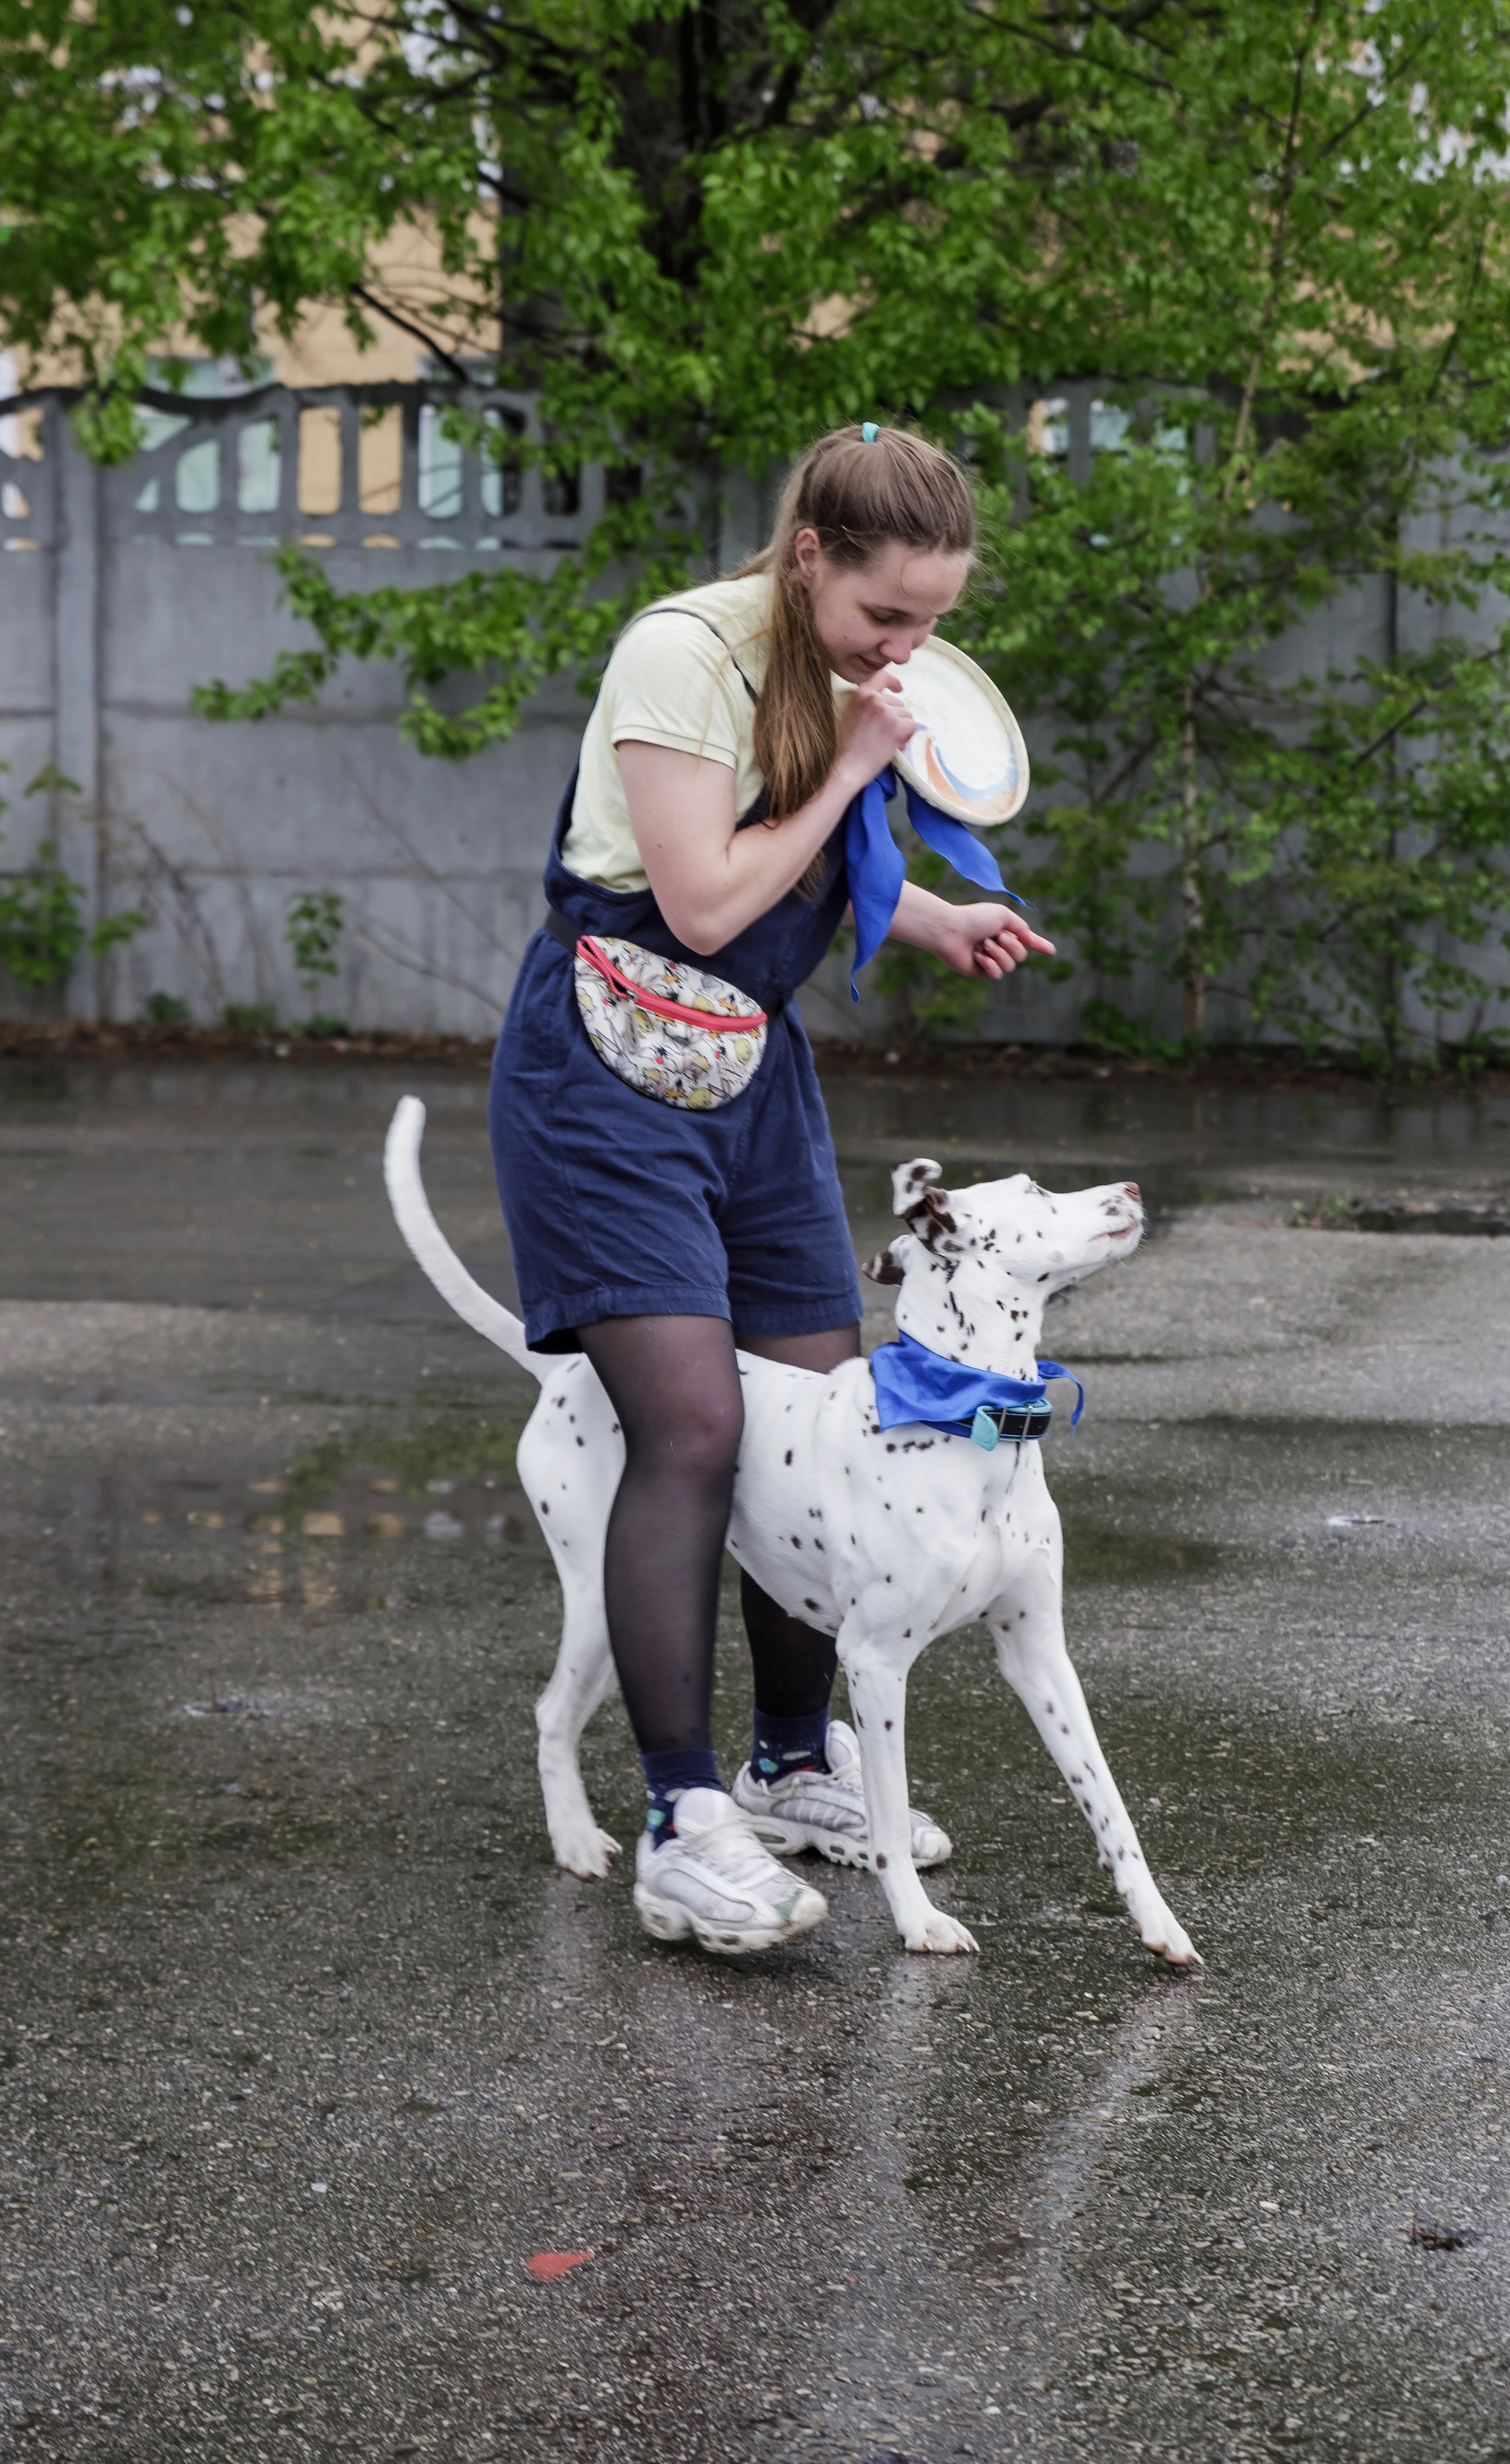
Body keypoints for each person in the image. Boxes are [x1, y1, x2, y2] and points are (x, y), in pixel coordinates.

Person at [486, 421, 1054, 1952]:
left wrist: (930, 915)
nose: (909, 646)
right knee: (693, 1424)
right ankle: (683, 1818)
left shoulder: (840, 662)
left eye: (932, 619)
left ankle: (793, 1763)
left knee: (820, 1417)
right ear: (810, 555)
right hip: (604, 1072)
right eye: (887, 613)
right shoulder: (685, 654)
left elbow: (807, 862)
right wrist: (861, 756)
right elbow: (701, 892)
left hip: (750, 1070)